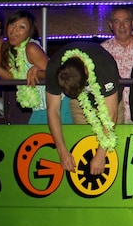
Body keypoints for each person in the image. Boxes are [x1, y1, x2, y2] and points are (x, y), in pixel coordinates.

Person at [0, 10, 71, 125]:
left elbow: (55, 74)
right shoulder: (11, 51)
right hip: (40, 108)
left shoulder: (31, 48)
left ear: (29, 32)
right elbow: (11, 79)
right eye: (12, 24)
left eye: (21, 27)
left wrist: (37, 71)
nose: (14, 30)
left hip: (57, 105)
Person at [45, 42, 120, 175]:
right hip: (80, 103)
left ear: (86, 70)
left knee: (112, 151)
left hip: (108, 100)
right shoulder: (54, 68)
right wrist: (62, 152)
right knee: (85, 143)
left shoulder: (104, 64)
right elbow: (53, 110)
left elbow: (111, 114)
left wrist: (100, 156)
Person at [100, 5, 133, 124]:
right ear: (111, 25)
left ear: (132, 23)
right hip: (112, 115)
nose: (122, 26)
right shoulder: (102, 50)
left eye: (125, 21)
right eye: (117, 22)